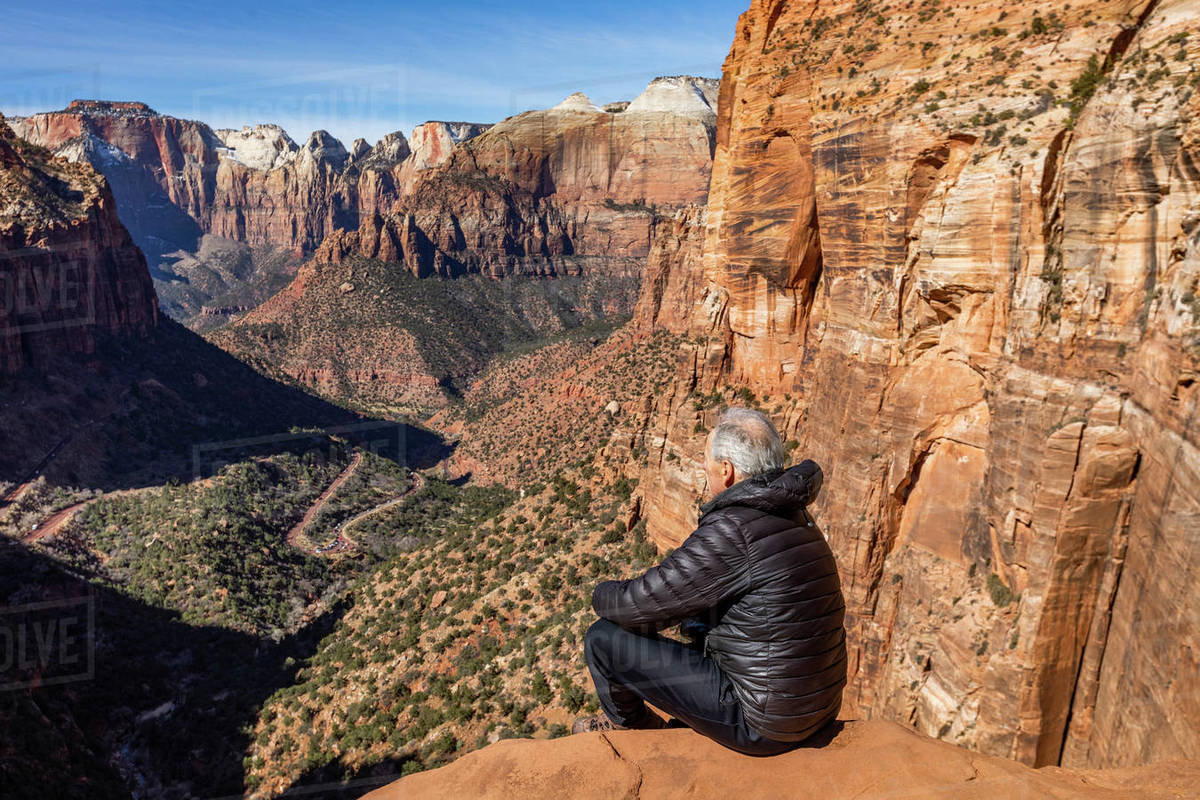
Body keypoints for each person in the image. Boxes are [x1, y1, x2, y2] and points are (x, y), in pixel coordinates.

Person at [572, 407, 846, 756]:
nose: (703, 467)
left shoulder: (735, 528)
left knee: (603, 639)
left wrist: (599, 593)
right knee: (696, 619)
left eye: (707, 460)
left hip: (764, 723)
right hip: (816, 706)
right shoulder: (795, 513)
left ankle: (638, 734)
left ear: (727, 471)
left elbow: (639, 603)